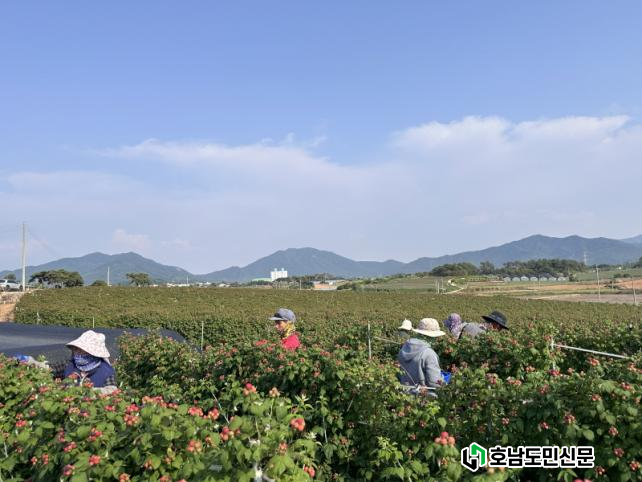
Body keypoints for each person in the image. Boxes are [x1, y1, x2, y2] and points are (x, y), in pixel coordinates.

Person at [49, 330, 117, 388]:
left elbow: (111, 391)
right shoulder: (69, 364)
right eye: (76, 349)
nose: (77, 353)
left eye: (81, 350)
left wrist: (88, 391)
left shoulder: (106, 372)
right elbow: (49, 369)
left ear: (93, 353)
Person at [398, 318, 446, 397]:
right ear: (430, 336)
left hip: (403, 395)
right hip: (422, 397)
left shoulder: (404, 348)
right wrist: (446, 384)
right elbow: (434, 382)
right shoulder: (429, 354)